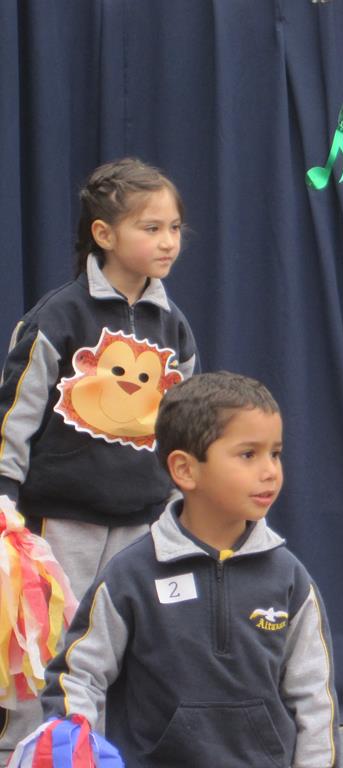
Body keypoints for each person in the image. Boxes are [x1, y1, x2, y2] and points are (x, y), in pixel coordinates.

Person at [24, 372, 339, 767]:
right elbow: (78, 675)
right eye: (248, 454)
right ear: (185, 470)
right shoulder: (130, 575)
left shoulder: (290, 579)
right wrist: (73, 744)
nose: (270, 471)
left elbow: (315, 699)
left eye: (275, 453)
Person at [0, 157, 198, 756]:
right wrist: (5, 498)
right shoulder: (58, 316)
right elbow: (16, 412)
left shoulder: (174, 327)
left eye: (175, 228)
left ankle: (101, 753)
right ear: (104, 234)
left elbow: (186, 426)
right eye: (151, 228)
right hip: (60, 523)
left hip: (144, 521)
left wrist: (182, 507)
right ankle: (28, 751)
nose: (167, 241)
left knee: (122, 647)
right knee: (47, 646)